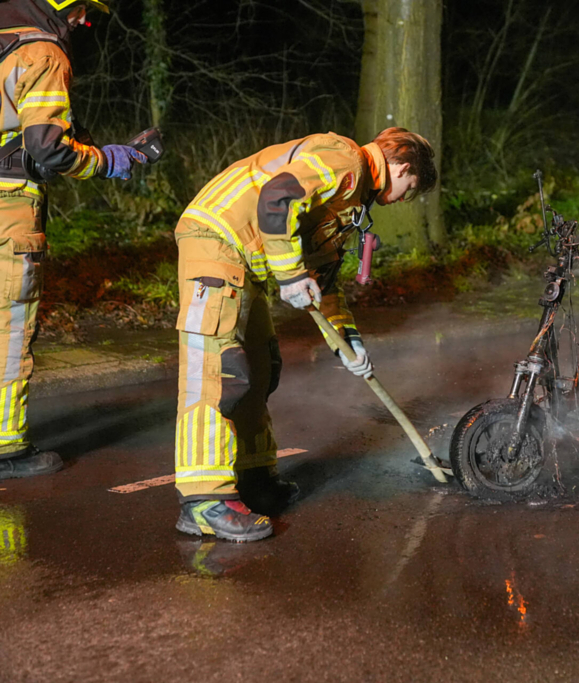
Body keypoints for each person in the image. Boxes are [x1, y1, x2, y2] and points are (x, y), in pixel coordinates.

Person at [173, 127, 437, 543]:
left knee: (261, 366)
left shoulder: (351, 199)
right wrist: (291, 274)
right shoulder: (346, 160)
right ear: (402, 167)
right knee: (219, 372)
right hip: (218, 241)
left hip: (246, 262)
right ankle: (205, 501)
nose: (405, 197)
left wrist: (348, 341)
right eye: (411, 186)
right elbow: (277, 197)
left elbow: (324, 281)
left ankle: (254, 478)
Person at [0, 0, 147, 481]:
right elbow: (46, 147)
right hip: (8, 205)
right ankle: (6, 448)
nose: (85, 20)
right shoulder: (43, 52)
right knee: (9, 325)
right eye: (83, 8)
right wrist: (109, 160)